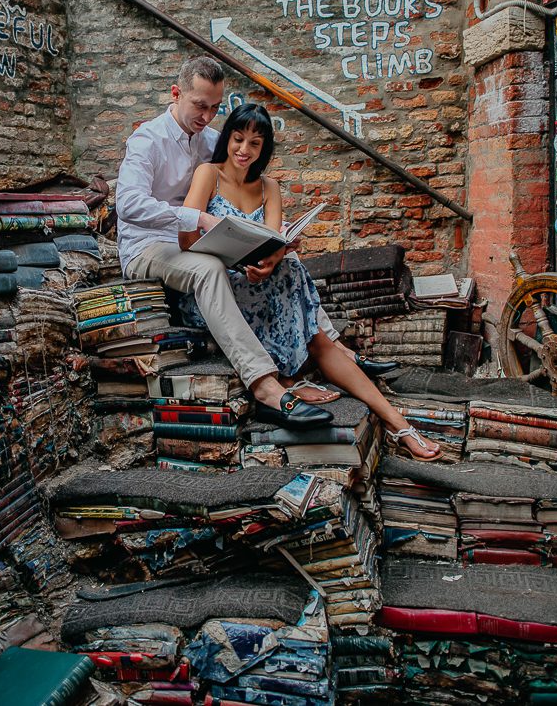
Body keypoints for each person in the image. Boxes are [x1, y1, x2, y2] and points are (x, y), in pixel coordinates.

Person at [115, 56, 403, 432]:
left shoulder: (209, 140)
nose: (207, 116)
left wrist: (277, 237)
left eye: (215, 107)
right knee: (209, 269)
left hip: (196, 243)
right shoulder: (146, 140)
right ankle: (265, 384)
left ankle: (337, 350)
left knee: (286, 264)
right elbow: (128, 204)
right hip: (148, 246)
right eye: (199, 105)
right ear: (175, 94)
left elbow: (238, 184)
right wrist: (197, 218)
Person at [174, 102, 440, 460]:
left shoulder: (269, 186)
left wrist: (271, 260)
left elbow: (270, 243)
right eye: (238, 139)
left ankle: (398, 424)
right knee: (304, 306)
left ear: (264, 148)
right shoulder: (209, 173)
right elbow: (186, 241)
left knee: (289, 266)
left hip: (260, 283)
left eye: (255, 143)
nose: (244, 150)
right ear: (228, 139)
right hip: (219, 288)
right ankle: (301, 378)